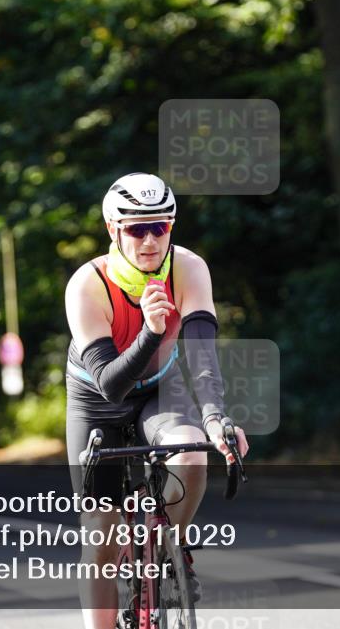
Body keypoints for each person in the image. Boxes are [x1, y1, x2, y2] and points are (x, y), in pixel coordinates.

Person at [65, 172, 248, 629]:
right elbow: (110, 383)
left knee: (191, 457)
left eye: (160, 227)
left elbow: (202, 355)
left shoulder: (189, 268)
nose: (150, 240)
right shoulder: (87, 285)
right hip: (98, 399)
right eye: (136, 228)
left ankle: (170, 546)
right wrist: (150, 330)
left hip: (161, 390)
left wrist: (215, 418)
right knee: (102, 538)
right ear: (113, 230)